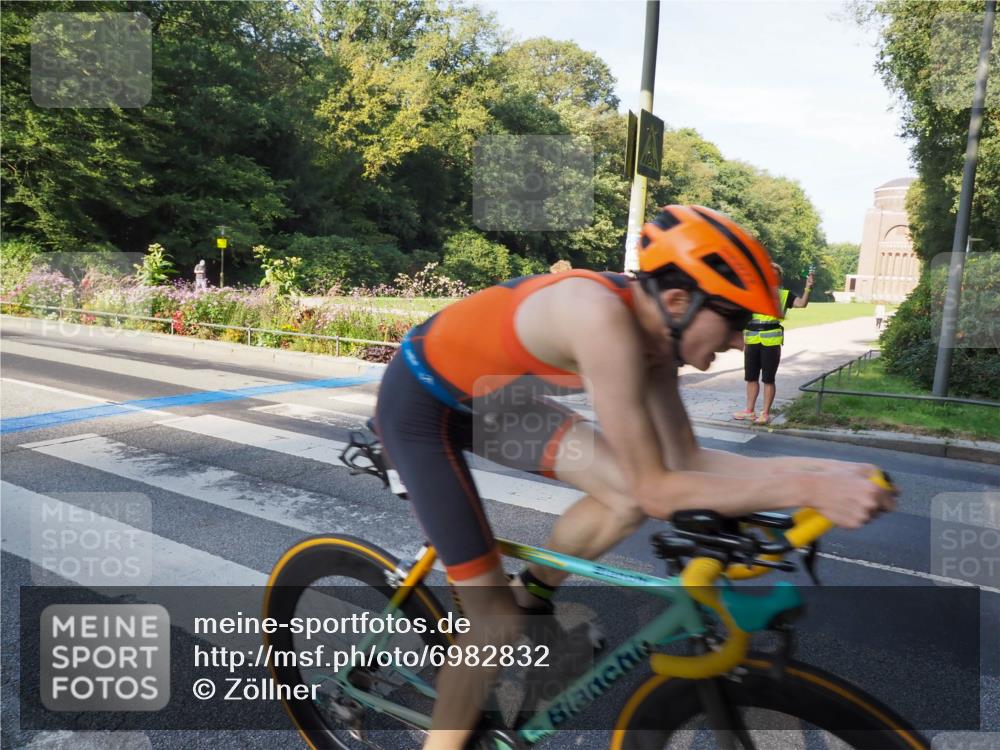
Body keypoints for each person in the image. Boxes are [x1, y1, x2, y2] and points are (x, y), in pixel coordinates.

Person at [373, 205, 894, 750]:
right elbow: (661, 489)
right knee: (492, 627)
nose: (742, 342)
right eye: (736, 321)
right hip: (421, 407)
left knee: (623, 498)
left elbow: (687, 460)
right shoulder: (600, 320)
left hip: (496, 402)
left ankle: (531, 597)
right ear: (677, 300)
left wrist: (827, 471)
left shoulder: (659, 337)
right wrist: (811, 489)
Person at [733, 262, 813, 425]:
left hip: (771, 342)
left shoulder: (784, 295)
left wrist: (808, 287)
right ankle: (749, 410)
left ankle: (766, 413)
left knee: (768, 379)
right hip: (752, 340)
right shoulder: (753, 293)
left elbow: (801, 304)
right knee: (751, 378)